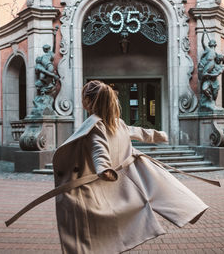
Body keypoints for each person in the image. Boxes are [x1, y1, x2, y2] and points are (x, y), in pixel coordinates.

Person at [52, 80, 210, 253]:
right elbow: (139, 132)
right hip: (114, 189)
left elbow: (99, 149)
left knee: (87, 240)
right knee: (106, 234)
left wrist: (103, 168)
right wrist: (159, 135)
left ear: (88, 102)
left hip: (93, 192)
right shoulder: (117, 122)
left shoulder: (97, 125)